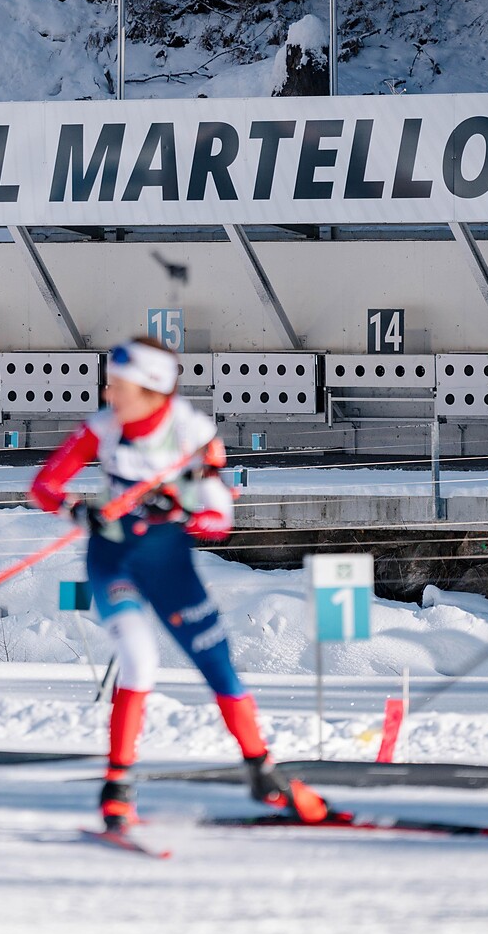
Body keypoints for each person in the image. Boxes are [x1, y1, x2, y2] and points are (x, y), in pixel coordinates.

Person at [30, 336, 328, 833]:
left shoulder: (191, 432)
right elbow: (44, 486)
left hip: (168, 564)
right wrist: (77, 511)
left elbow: (220, 519)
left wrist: (177, 509)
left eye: (118, 385)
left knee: (217, 663)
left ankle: (263, 772)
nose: (107, 393)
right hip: (114, 561)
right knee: (139, 659)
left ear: (151, 390)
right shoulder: (103, 428)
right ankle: (117, 790)